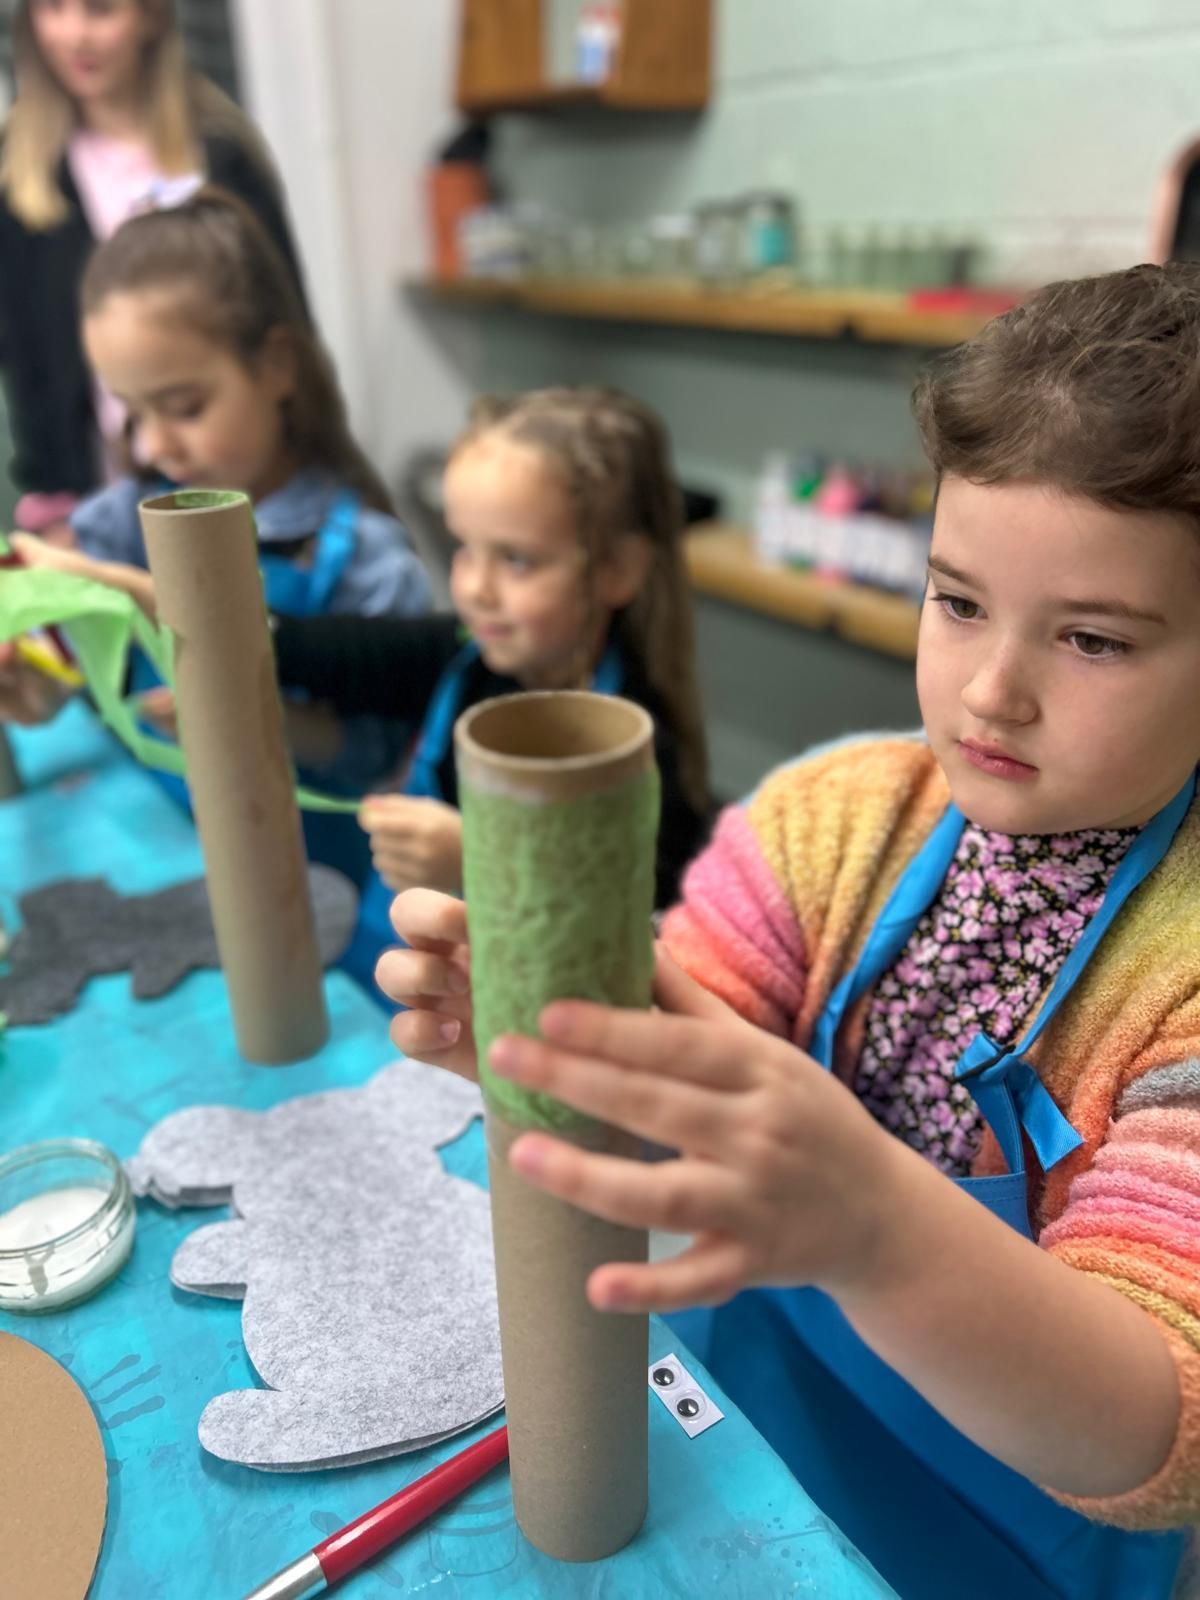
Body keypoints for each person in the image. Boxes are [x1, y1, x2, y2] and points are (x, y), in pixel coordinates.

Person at [375, 265, 1200, 1600]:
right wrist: (568, 1056)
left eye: (1094, 640)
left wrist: (873, 1226)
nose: (993, 689)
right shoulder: (828, 825)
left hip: (1007, 1544)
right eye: (958, 599)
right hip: (749, 1441)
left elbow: (1155, 1423)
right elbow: (678, 1129)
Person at [0, 0, 307, 528]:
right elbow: (27, 363)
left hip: (246, 495)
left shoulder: (224, 157)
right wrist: (53, 501)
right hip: (95, 499)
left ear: (150, 15)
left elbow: (290, 327)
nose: (75, 35)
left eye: (99, 9)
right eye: (52, 8)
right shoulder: (19, 175)